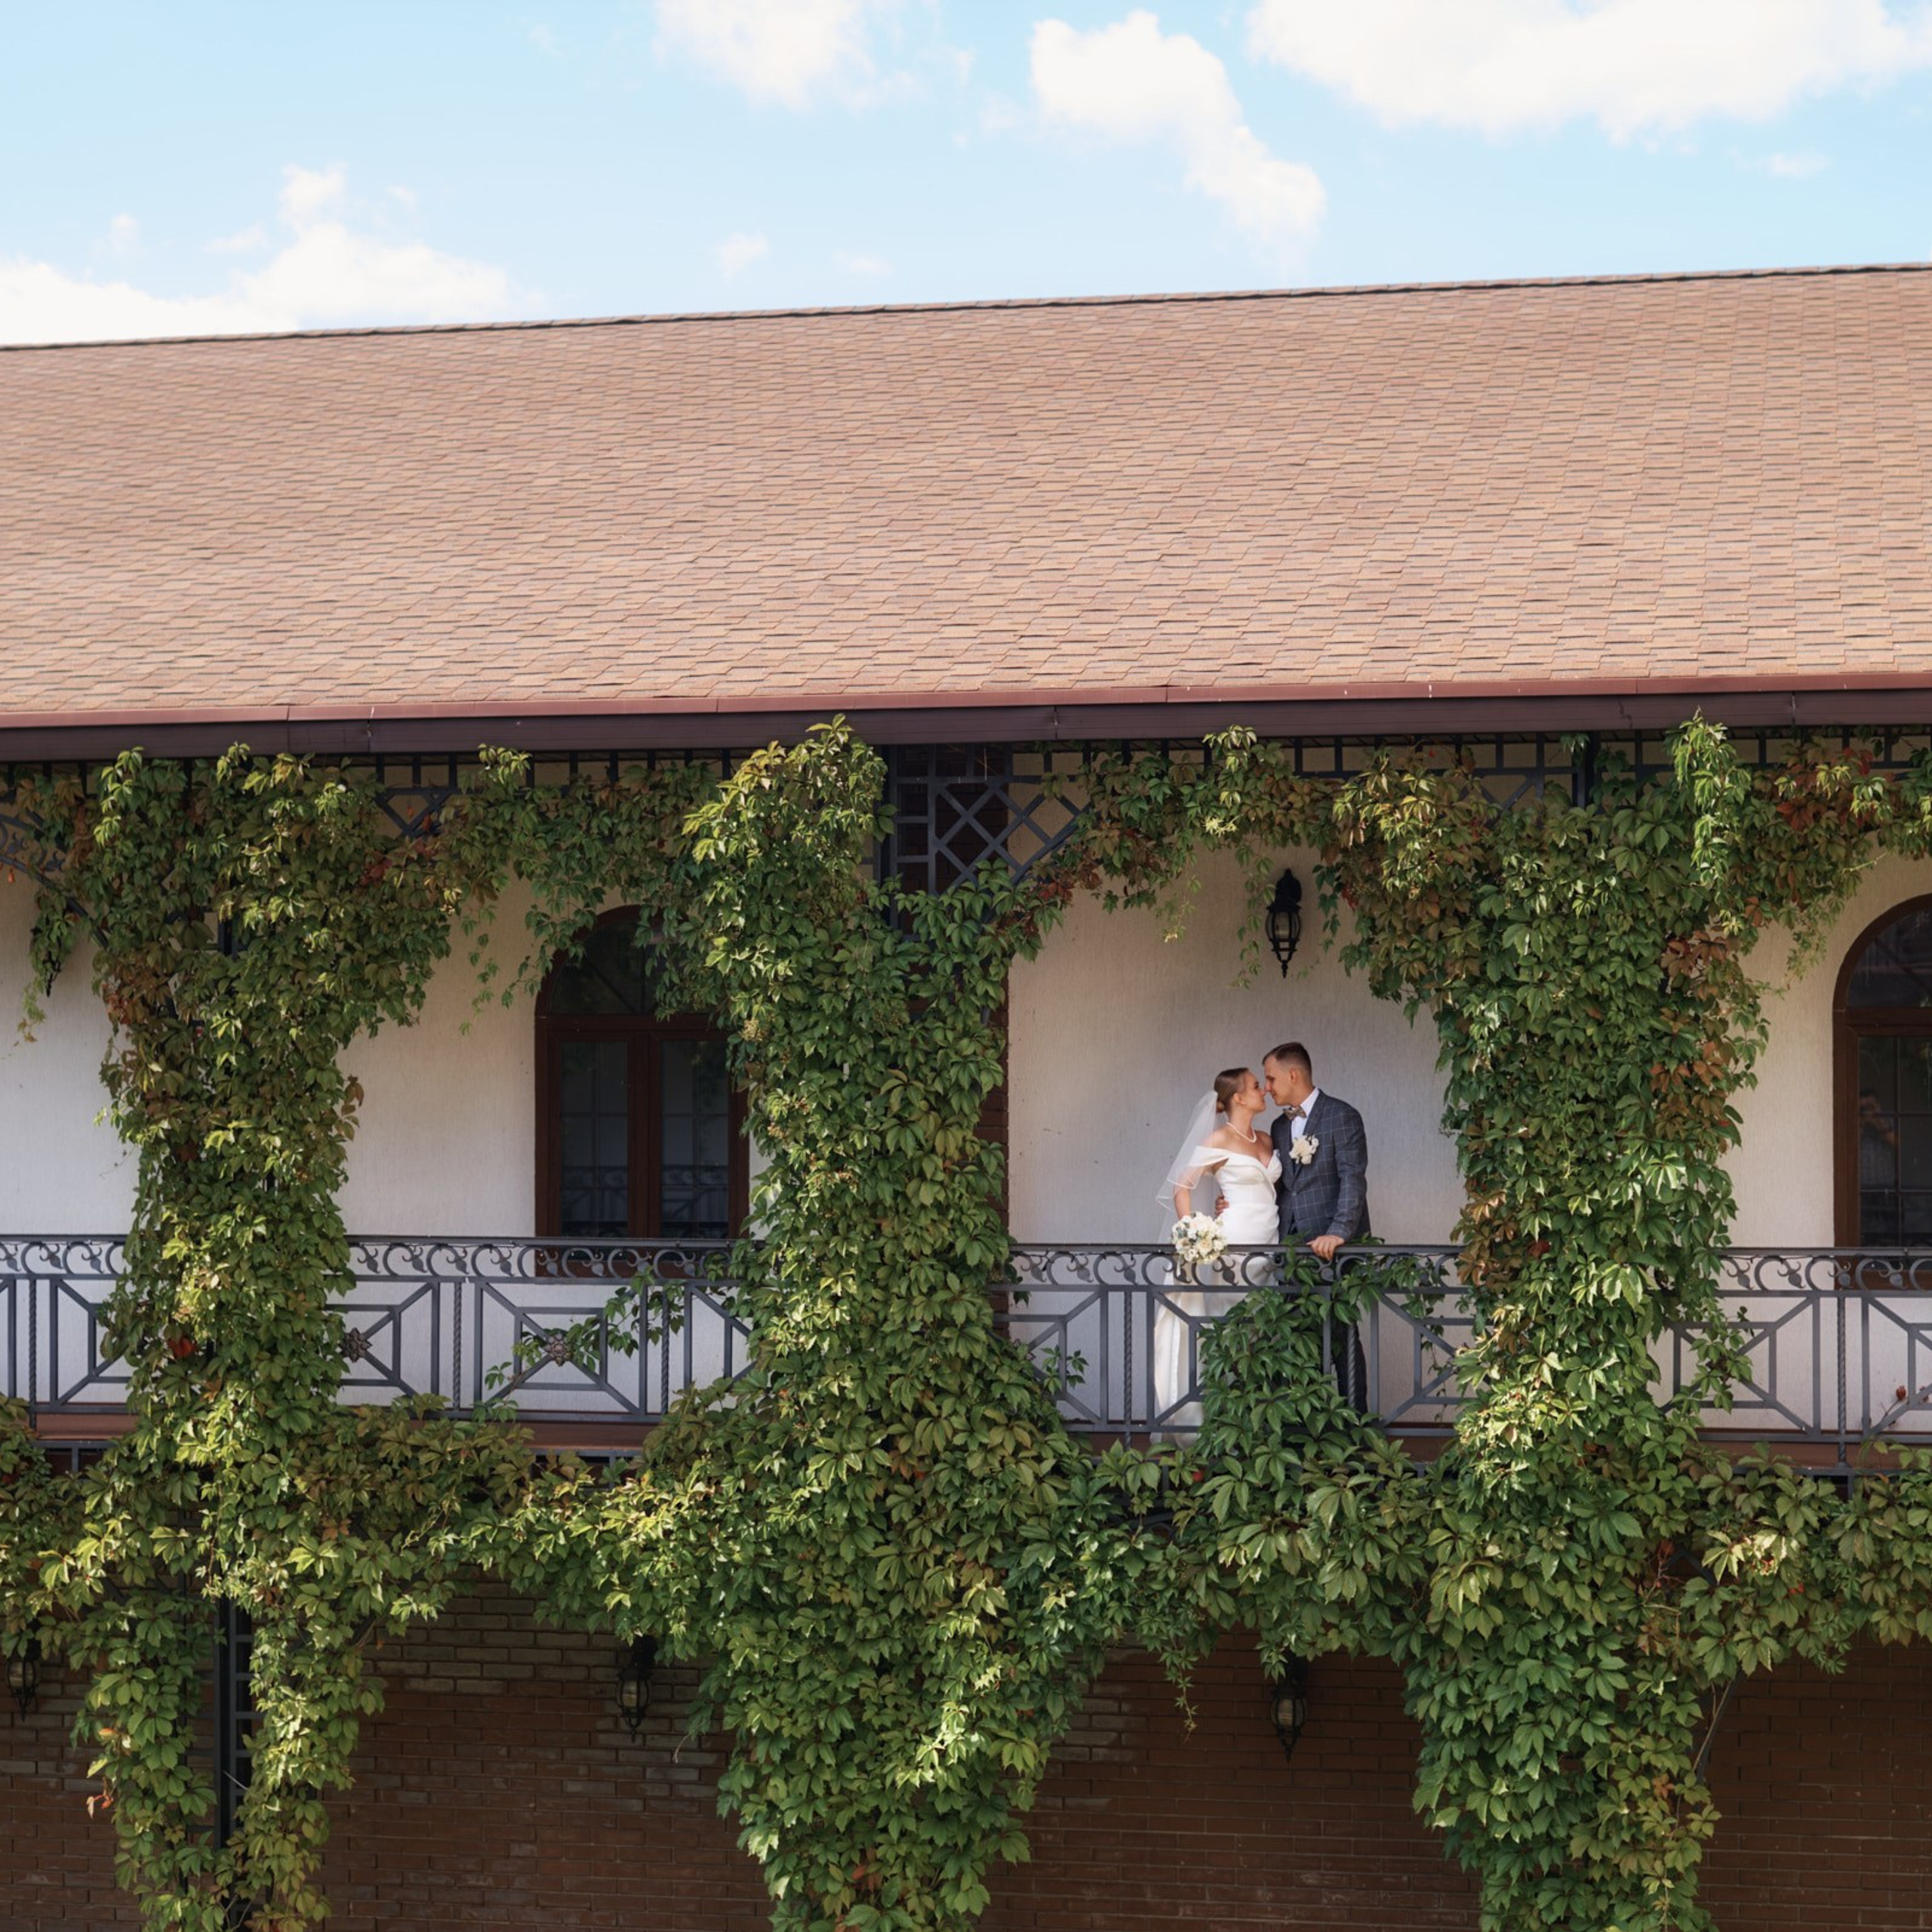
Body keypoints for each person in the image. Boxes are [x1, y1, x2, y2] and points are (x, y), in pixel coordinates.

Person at [1152, 1066, 1279, 1431]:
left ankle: (1258, 1420)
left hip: (1270, 1240)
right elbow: (1181, 1185)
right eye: (1257, 1086)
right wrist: (1193, 1230)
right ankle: (1222, 1421)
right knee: (1232, 1328)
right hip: (1235, 1245)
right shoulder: (1218, 1140)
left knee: (1265, 1329)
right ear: (1238, 1097)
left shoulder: (1269, 1139)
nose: (1264, 1092)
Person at [1263, 1041, 1371, 1408]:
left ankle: (1355, 1422)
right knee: (1296, 1337)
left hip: (1331, 1250)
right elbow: (1279, 1184)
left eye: (1271, 1078)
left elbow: (1352, 1178)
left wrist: (1339, 1232)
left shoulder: (1343, 1116)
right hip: (1290, 1250)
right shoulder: (1279, 1126)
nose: (1268, 1087)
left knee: (1341, 1336)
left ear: (1293, 1074)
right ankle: (1305, 1422)